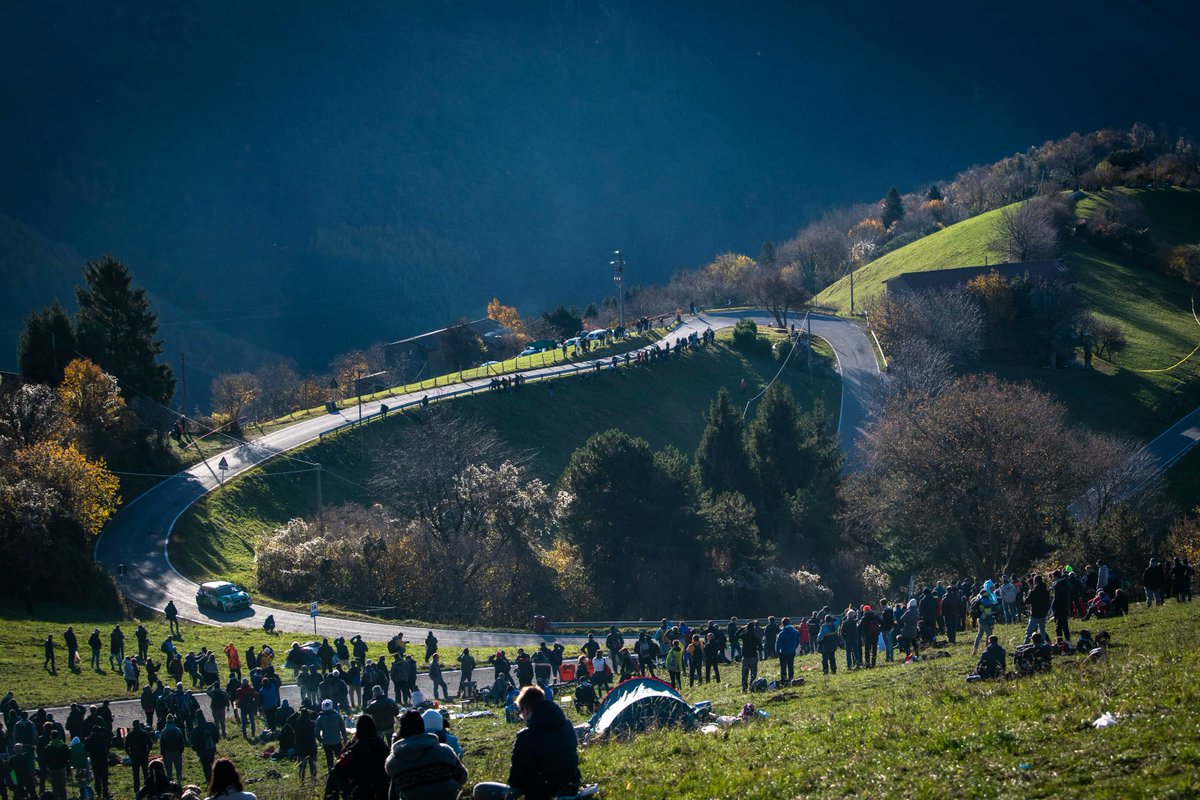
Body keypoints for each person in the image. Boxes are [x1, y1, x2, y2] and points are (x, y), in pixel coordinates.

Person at [472, 685, 579, 800]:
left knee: (480, 789)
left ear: (526, 709)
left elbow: (516, 779)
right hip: (570, 786)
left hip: (540, 792)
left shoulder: (525, 736)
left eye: (520, 711)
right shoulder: (567, 726)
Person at [386, 710, 468, 800]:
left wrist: (393, 748)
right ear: (423, 727)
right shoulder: (445, 751)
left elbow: (393, 796)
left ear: (401, 732)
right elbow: (463, 777)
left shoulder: (393, 763)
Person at [330, 714, 389, 800]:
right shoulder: (381, 745)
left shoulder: (357, 747)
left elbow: (338, 765)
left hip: (361, 791)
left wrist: (350, 743)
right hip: (383, 790)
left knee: (333, 772)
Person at [316, 699, 347, 770]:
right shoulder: (338, 716)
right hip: (337, 741)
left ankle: (331, 774)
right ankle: (342, 772)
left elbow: (317, 733)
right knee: (340, 759)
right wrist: (345, 739)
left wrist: (322, 740)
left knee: (329, 760)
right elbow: (343, 729)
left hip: (327, 743)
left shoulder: (320, 718)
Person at [124, 720, 153, 795]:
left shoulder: (130, 735)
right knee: (146, 772)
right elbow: (150, 743)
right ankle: (148, 787)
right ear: (139, 725)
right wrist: (148, 751)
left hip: (134, 756)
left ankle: (136, 789)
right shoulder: (144, 733)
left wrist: (129, 754)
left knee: (136, 773)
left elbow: (126, 746)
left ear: (133, 725)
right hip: (143, 755)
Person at [972, 581, 1000, 655]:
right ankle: (988, 650)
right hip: (985, 620)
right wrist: (991, 624)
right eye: (991, 588)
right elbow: (988, 614)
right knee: (989, 635)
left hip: (980, 619)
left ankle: (975, 650)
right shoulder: (986, 601)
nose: (992, 589)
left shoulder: (979, 597)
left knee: (979, 635)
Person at [159, 714, 185, 784]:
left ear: (166, 721)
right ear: (173, 720)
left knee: (168, 770)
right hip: (177, 752)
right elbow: (181, 741)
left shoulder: (163, 731)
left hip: (167, 753)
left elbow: (162, 744)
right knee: (178, 769)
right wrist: (181, 750)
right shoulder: (178, 730)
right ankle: (179, 782)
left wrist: (162, 753)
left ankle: (170, 783)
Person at [1025, 574, 1051, 644]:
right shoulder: (1046, 591)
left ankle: (1025, 645)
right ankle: (1043, 644)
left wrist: (1027, 595)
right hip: (1043, 613)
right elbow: (1048, 603)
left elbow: (1027, 601)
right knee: (1042, 631)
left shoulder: (1033, 591)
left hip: (1035, 614)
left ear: (1035, 582)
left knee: (1029, 631)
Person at [738, 620, 760, 692]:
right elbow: (761, 648)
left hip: (745, 656)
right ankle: (752, 687)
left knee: (744, 674)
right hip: (753, 656)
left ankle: (744, 689)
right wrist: (755, 647)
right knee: (753, 673)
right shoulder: (755, 637)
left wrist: (741, 629)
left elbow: (735, 636)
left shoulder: (744, 636)